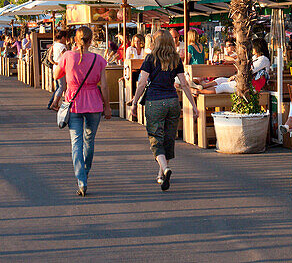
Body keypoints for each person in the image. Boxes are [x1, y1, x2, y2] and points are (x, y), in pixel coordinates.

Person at [128, 29, 199, 191]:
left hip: (154, 102)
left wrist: (135, 102)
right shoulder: (175, 59)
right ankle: (161, 175)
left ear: (155, 42)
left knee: (155, 139)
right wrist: (194, 106)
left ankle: (165, 170)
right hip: (173, 102)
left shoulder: (150, 58)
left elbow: (142, 82)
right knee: (168, 139)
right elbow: (184, 84)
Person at [54, 25, 111, 197]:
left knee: (76, 143)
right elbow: (105, 86)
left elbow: (56, 75)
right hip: (94, 102)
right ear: (91, 40)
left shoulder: (68, 56)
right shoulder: (98, 59)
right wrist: (107, 106)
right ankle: (85, 171)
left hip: (74, 103)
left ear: (75, 40)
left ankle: (81, 180)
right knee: (89, 141)